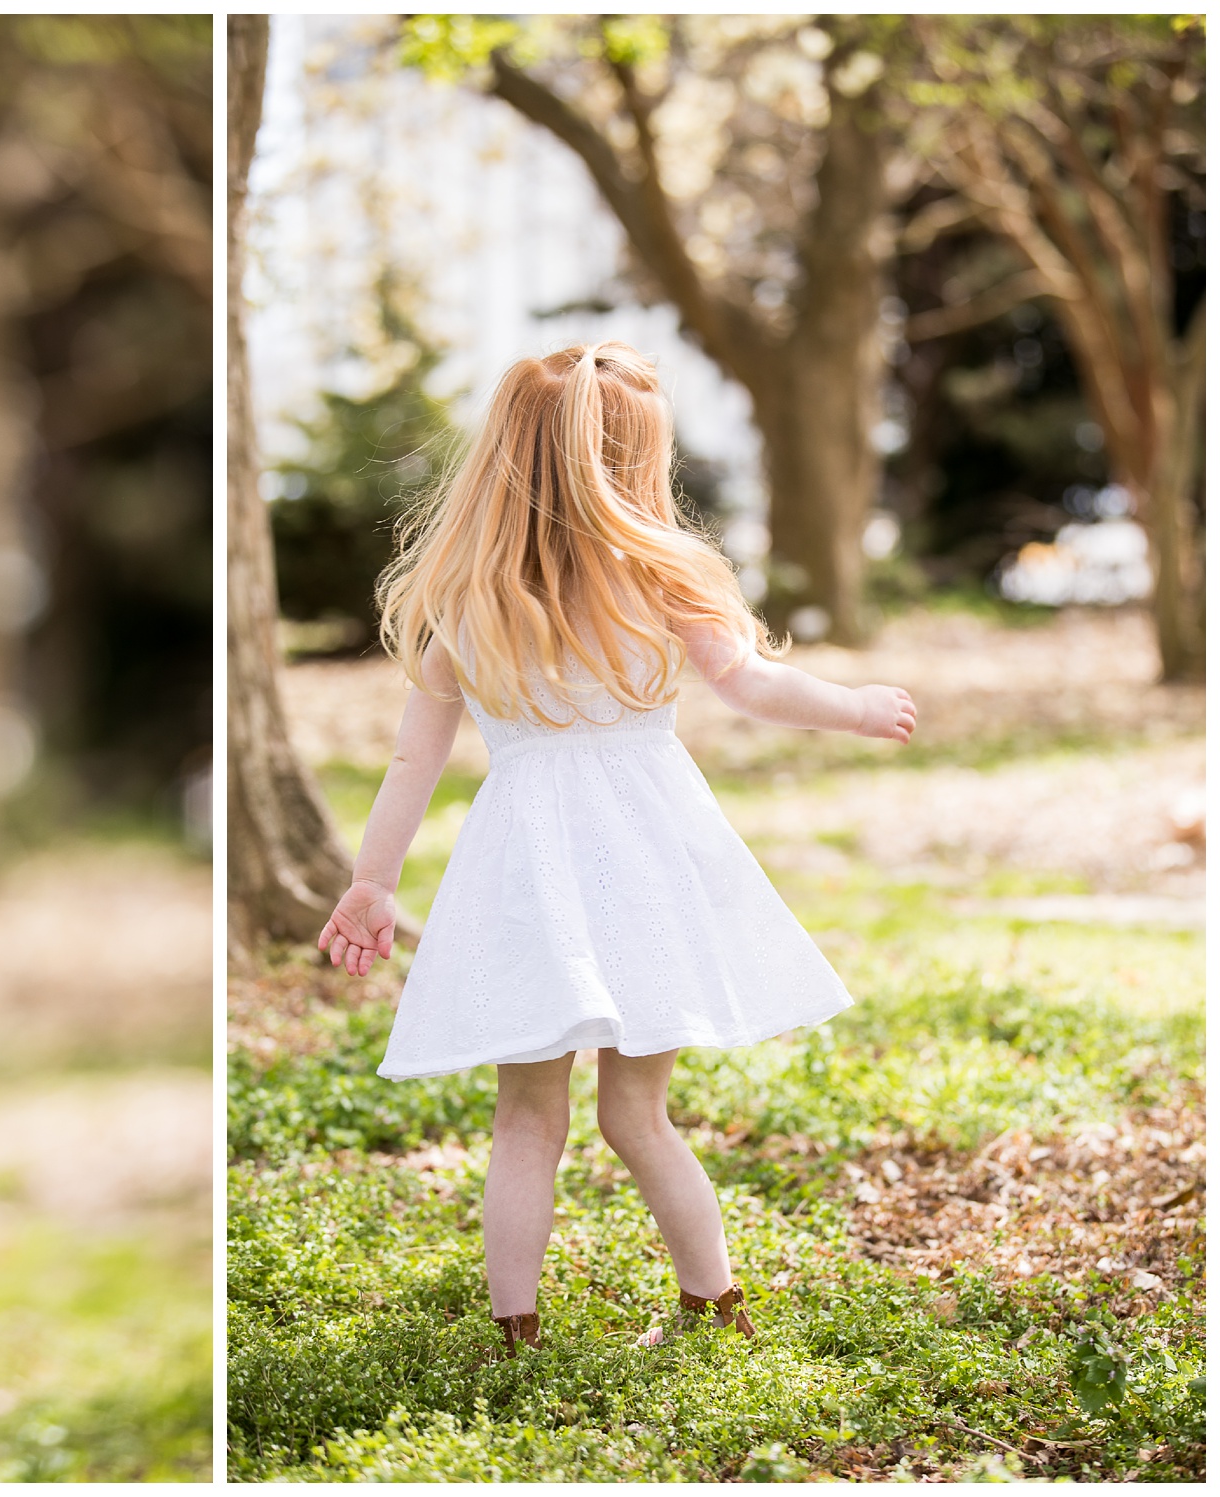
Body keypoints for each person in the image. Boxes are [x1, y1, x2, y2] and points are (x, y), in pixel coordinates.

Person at [316, 343, 916, 1358]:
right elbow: (756, 687)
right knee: (637, 1117)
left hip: (524, 875)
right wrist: (853, 708)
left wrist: (372, 883)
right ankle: (709, 1302)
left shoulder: (466, 601)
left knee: (525, 1124)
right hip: (648, 860)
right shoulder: (661, 579)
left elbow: (410, 762)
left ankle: (516, 1330)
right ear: (632, 464)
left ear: (504, 457)